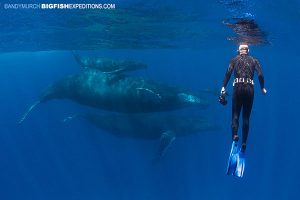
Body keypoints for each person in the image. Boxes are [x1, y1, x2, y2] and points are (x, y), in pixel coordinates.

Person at [220, 44, 267, 177]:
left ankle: (235, 137)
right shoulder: (254, 60)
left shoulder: (234, 60)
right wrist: (262, 88)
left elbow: (228, 73)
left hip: (238, 88)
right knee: (246, 118)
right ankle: (244, 143)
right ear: (248, 50)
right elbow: (261, 75)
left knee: (235, 116)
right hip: (249, 89)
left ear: (238, 50)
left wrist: (223, 87)